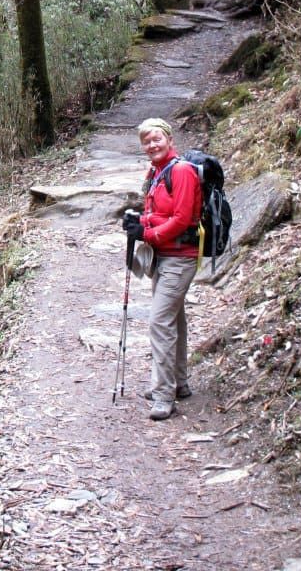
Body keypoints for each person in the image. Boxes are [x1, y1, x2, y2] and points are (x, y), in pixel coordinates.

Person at [123, 117, 202, 421]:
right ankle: (178, 382)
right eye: (146, 141)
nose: (152, 145)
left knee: (159, 321)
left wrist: (148, 234)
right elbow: (156, 214)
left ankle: (163, 393)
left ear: (169, 139)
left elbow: (182, 219)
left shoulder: (181, 171)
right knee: (174, 318)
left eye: (157, 139)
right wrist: (138, 224)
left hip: (180, 256)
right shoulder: (157, 172)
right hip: (164, 256)